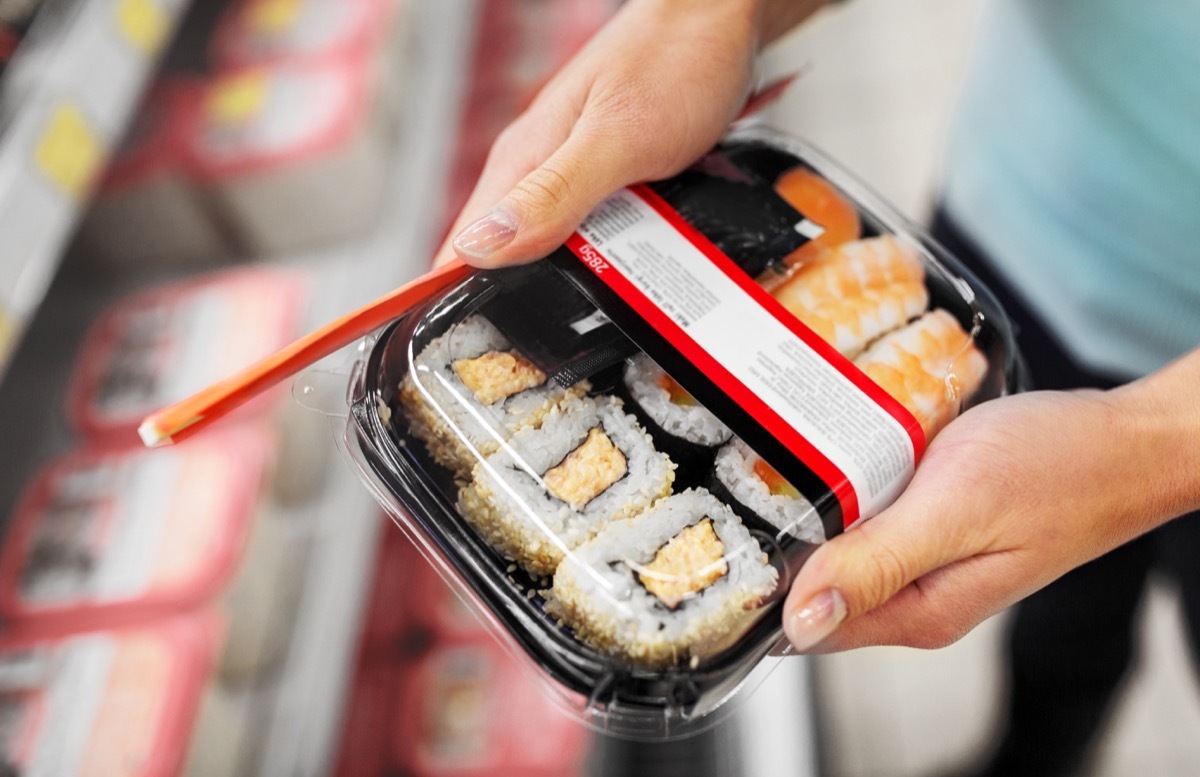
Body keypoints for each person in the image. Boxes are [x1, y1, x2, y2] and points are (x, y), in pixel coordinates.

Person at [434, 1, 1200, 773]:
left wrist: (1156, 449)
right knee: (1064, 619)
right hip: (1005, 216)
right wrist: (720, 13)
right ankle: (1037, 753)